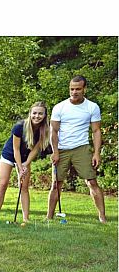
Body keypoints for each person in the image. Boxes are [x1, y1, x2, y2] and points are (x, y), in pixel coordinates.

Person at [46, 75, 106, 223]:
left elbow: (96, 131)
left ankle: (102, 217)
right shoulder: (60, 107)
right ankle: (49, 217)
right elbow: (53, 131)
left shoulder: (92, 107)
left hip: (82, 148)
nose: (74, 92)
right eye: (72, 89)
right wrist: (55, 152)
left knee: (92, 182)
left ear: (84, 89)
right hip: (62, 149)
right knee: (56, 184)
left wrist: (97, 153)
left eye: (78, 89)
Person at [0, 101, 50, 224]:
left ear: (45, 115)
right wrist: (19, 166)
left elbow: (35, 149)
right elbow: (15, 149)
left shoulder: (44, 130)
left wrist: (26, 163)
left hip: (25, 157)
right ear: (30, 113)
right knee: (2, 184)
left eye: (40, 113)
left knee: (24, 187)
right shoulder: (19, 127)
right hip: (9, 155)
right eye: (34, 113)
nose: (37, 116)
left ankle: (25, 218)